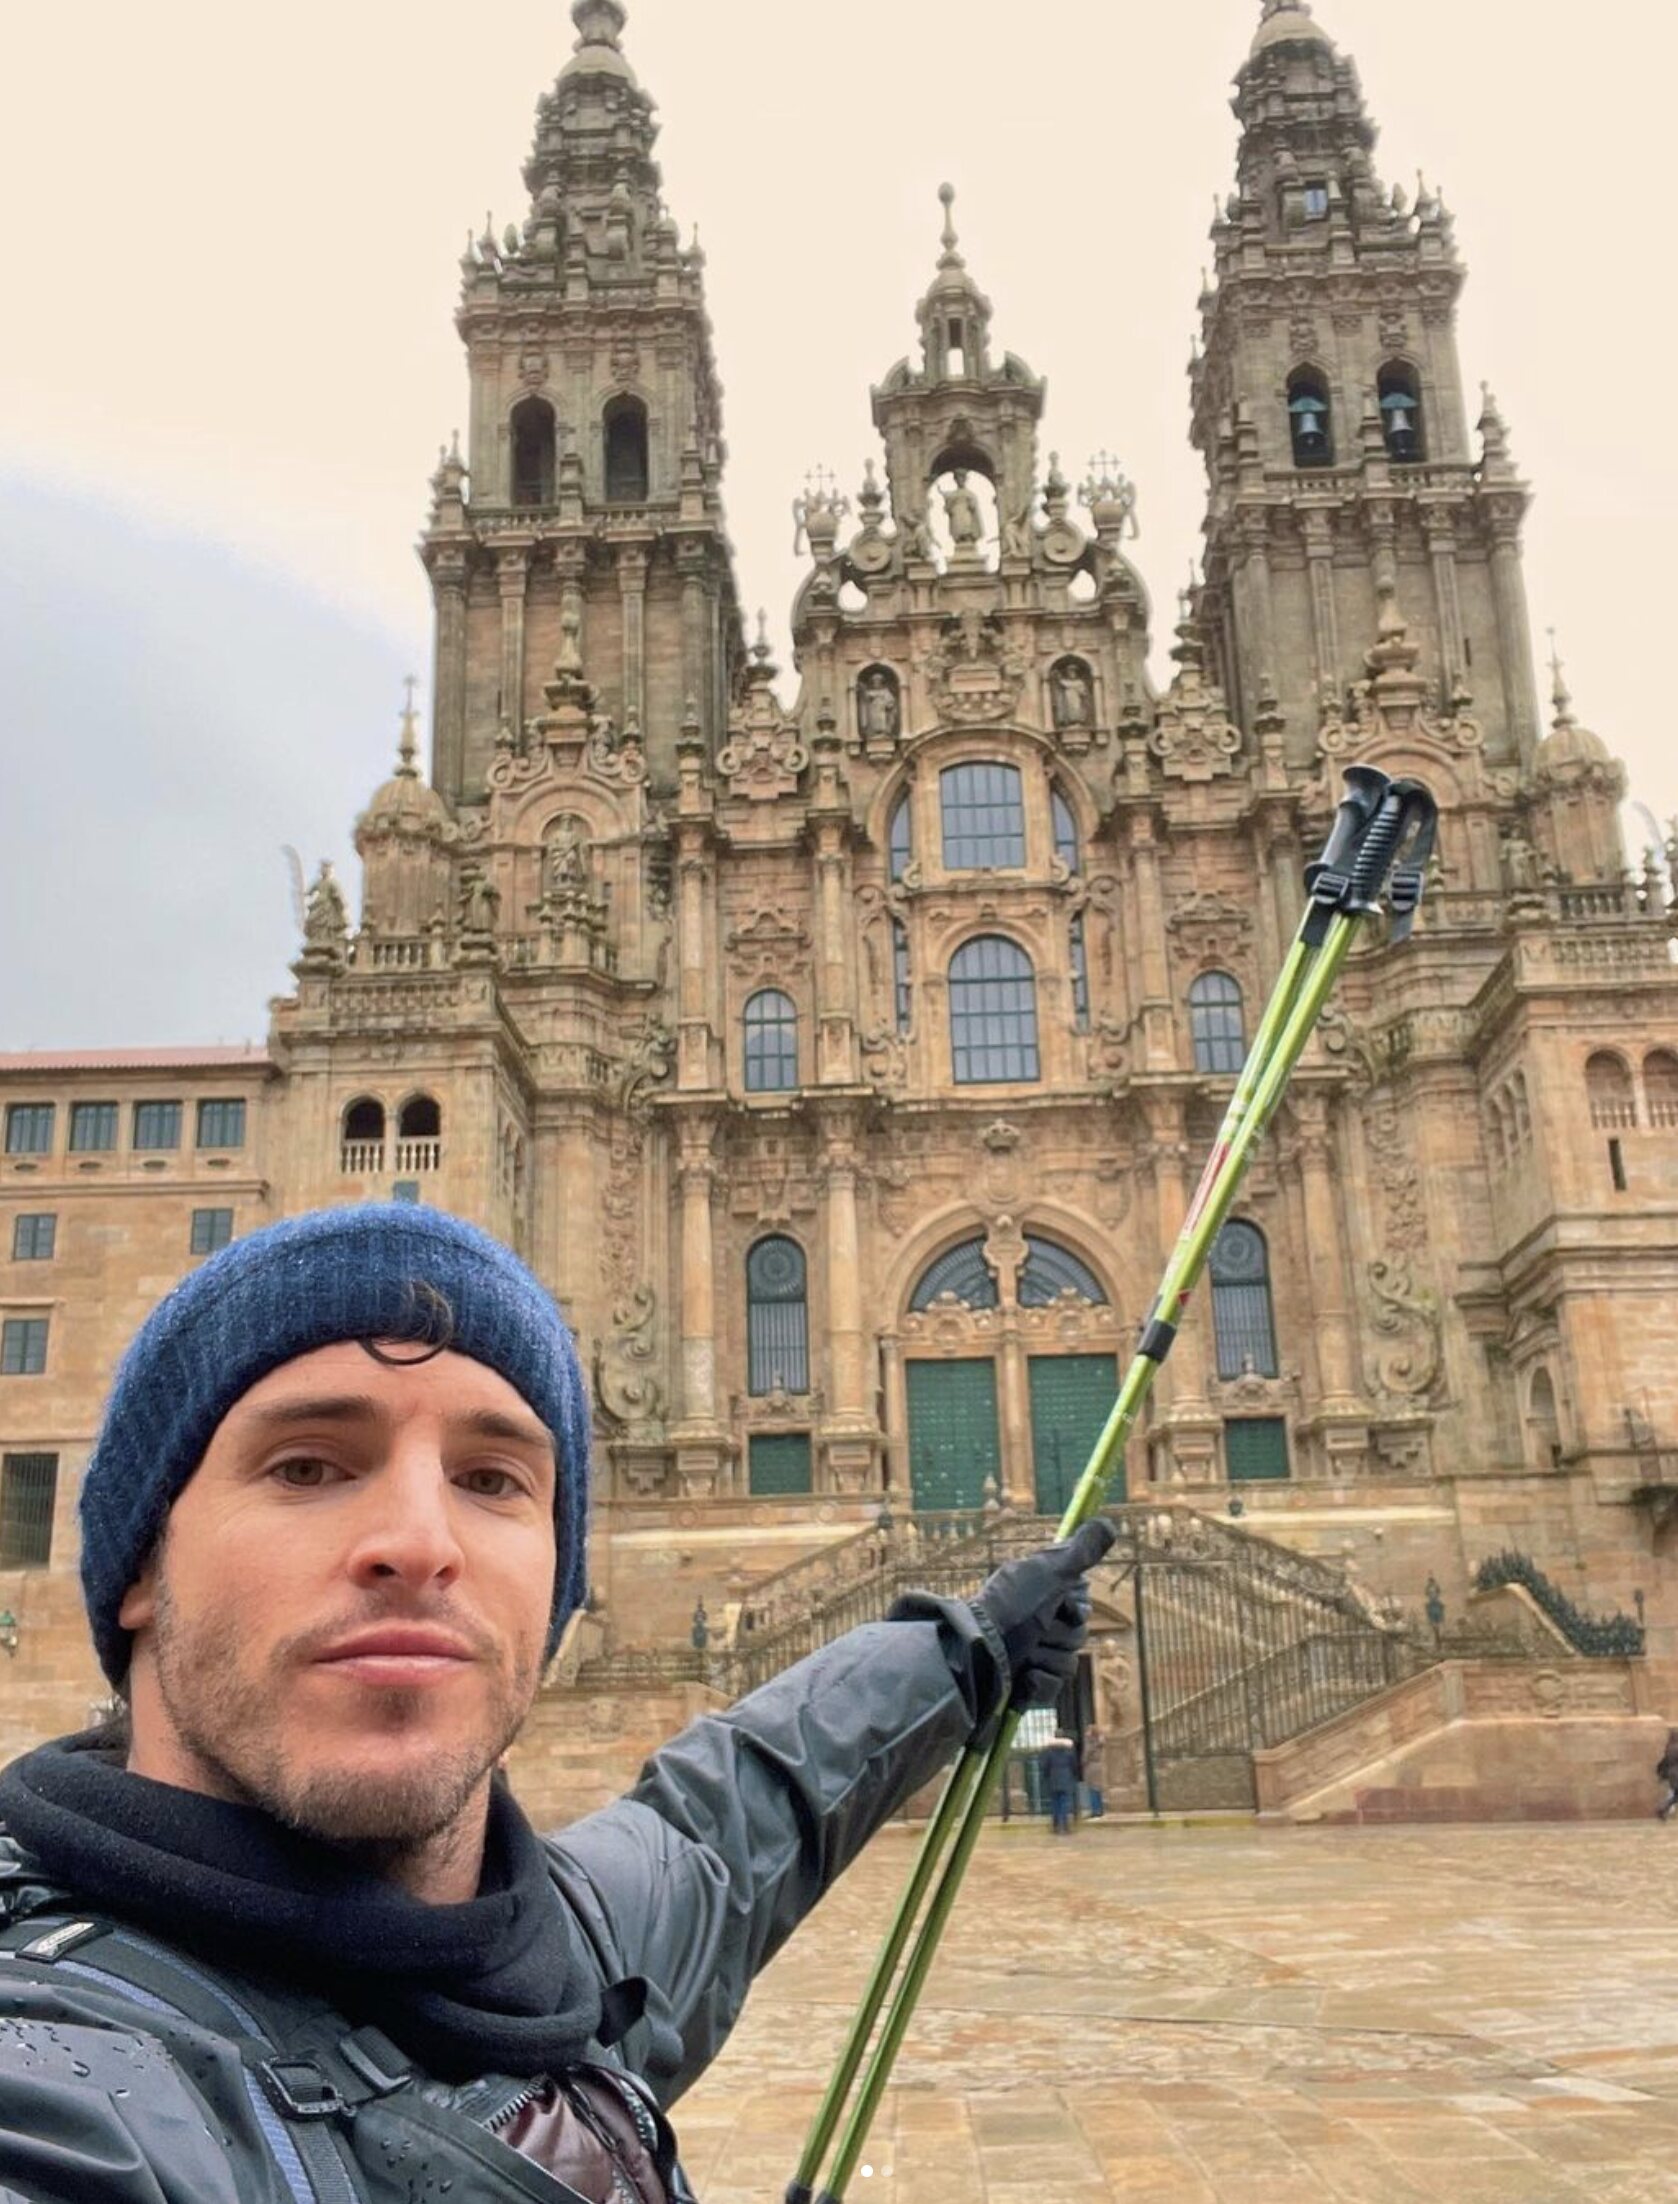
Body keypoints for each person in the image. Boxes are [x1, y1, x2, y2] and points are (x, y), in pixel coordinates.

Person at [0, 1205, 1113, 2204]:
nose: (421, 1544)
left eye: (492, 1480)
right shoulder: (57, 2081)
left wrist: (960, 1650)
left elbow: (734, 1818)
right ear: (140, 1562)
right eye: (307, 1464)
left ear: (559, 1584)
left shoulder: (559, 1952)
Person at [1043, 1731, 1079, 1836]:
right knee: (1064, 1803)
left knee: (1055, 1804)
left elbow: (1045, 1766)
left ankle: (1055, 1826)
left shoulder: (1049, 1751)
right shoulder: (1068, 1751)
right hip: (1065, 1778)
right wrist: (1073, 1775)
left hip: (1053, 1779)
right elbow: (1074, 1765)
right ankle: (1065, 1826)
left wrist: (1047, 1776)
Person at [1656, 1727, 1678, 1820]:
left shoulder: (1668, 1748)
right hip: (1677, 1773)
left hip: (1671, 1774)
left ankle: (1662, 1809)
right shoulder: (1676, 1748)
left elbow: (1663, 1762)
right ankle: (1662, 1809)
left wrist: (1661, 1774)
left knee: (1676, 1795)